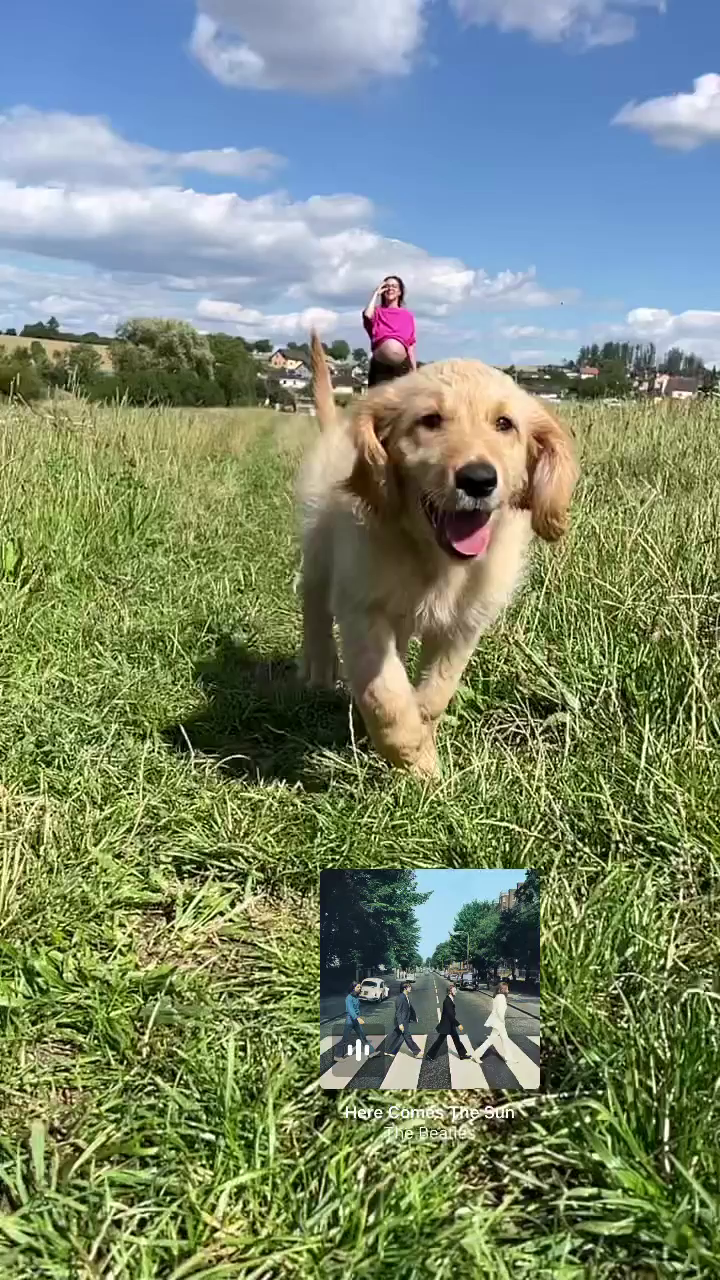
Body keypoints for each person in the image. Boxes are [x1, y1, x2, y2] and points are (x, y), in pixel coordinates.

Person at [362, 276, 417, 388]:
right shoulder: (377, 312)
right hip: (380, 367)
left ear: (400, 292)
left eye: (394, 286)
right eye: (386, 286)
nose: (390, 288)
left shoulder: (407, 316)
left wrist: (415, 372)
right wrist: (375, 293)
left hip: (402, 367)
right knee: (377, 403)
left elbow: (411, 347)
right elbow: (367, 315)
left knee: (402, 403)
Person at [472, 981, 518, 1065]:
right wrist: (502, 1021)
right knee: (491, 1040)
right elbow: (500, 1011)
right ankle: (476, 1054)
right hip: (499, 1022)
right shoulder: (501, 997)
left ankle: (509, 1057)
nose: (508, 990)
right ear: (503, 989)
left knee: (505, 1039)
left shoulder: (497, 996)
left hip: (498, 1021)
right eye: (507, 988)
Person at [334, 982, 383, 1059]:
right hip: (350, 1020)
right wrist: (357, 1018)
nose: (360, 988)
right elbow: (351, 1010)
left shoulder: (356, 997)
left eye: (360, 987)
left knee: (362, 1036)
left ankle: (371, 1053)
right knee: (345, 1038)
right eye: (358, 987)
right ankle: (337, 1055)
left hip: (355, 1020)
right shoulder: (349, 998)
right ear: (353, 988)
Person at [426, 983, 470, 1061]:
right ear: (450, 992)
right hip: (446, 1025)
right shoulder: (447, 1001)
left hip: (450, 1024)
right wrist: (458, 1024)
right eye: (454, 990)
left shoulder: (450, 1000)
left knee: (456, 1039)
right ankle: (430, 1055)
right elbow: (450, 1015)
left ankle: (462, 1054)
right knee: (440, 1041)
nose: (456, 992)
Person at [383, 981, 420, 1057]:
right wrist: (400, 1024)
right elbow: (398, 1012)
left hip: (404, 1019)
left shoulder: (405, 996)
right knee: (407, 1036)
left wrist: (414, 1017)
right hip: (402, 1021)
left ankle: (387, 1050)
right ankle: (416, 1052)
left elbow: (409, 1008)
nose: (411, 988)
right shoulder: (400, 998)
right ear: (405, 988)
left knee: (395, 1035)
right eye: (409, 986)